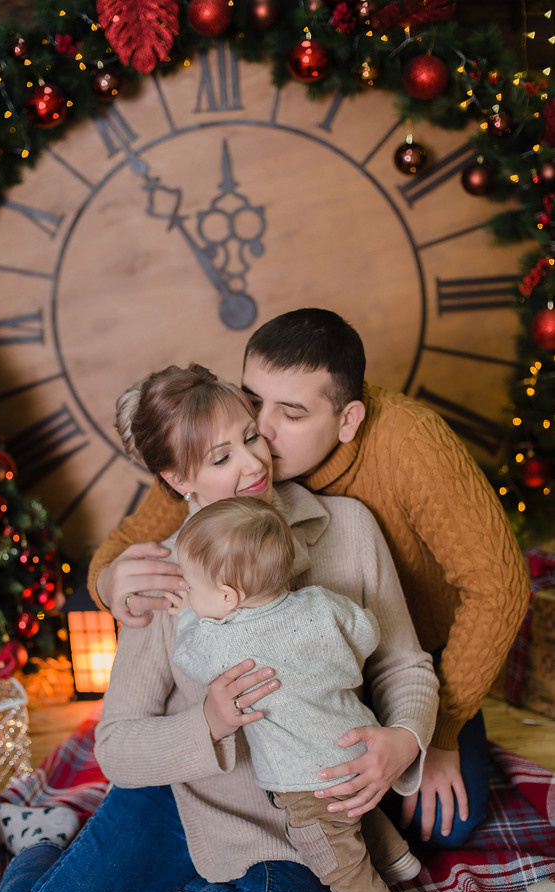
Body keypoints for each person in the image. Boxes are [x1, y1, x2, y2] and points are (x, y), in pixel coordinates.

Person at [0, 365, 439, 892]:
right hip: (172, 800)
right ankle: (46, 845)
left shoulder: (348, 529)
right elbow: (115, 744)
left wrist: (403, 740)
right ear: (178, 479)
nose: (254, 464)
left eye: (253, 437)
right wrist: (208, 726)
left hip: (294, 813)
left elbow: (402, 663)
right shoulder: (165, 575)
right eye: (222, 456)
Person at [89, 309, 530, 849]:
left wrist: (431, 737)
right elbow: (169, 509)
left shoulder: (408, 445)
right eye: (253, 405)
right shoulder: (242, 465)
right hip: (317, 681)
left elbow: (499, 589)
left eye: (291, 415)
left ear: (346, 421)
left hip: (421, 652)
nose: (263, 440)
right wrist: (107, 580)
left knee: (441, 826)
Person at [172, 495, 423, 892]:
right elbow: (366, 631)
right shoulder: (321, 602)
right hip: (358, 741)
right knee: (357, 809)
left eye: (192, 585)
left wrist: (186, 611)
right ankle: (396, 860)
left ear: (227, 597)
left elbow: (187, 655)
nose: (189, 594)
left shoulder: (221, 640)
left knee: (338, 861)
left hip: (305, 780)